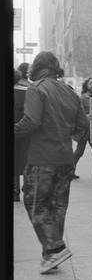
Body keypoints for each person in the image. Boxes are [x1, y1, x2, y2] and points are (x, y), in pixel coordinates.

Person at [14, 51, 89, 273]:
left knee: (36, 205)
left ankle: (55, 248)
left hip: (41, 158)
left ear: (36, 67)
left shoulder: (36, 89)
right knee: (57, 209)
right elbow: (82, 126)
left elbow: (30, 122)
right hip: (65, 158)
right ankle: (50, 257)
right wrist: (63, 132)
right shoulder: (70, 91)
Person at [72, 77, 92, 180]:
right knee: (79, 151)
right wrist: (85, 117)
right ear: (86, 85)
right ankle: (70, 171)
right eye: (90, 83)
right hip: (83, 130)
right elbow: (76, 113)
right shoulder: (80, 98)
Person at [14, 69, 30, 202]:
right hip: (24, 131)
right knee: (25, 159)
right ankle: (27, 188)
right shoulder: (26, 92)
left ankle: (14, 191)